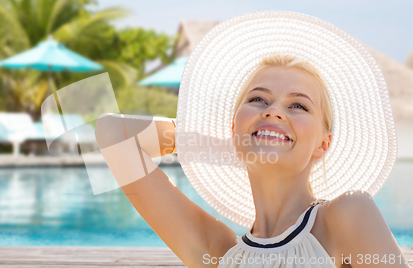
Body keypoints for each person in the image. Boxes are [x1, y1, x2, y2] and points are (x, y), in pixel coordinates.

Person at [95, 11, 409, 268]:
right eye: (258, 100)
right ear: (233, 128)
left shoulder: (346, 217)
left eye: (298, 105)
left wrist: (258, 138)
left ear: (323, 144)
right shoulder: (217, 252)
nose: (273, 111)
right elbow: (112, 133)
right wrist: (236, 141)